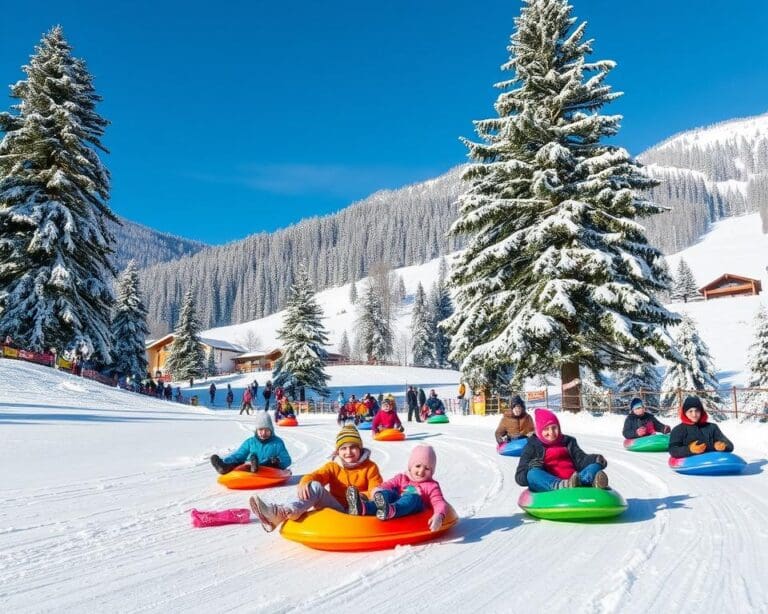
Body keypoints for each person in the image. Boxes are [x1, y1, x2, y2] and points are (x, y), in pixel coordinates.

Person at [249, 425, 383, 532]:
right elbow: (317, 475)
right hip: (336, 509)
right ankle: (283, 512)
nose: (348, 452)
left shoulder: (370, 467)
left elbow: (375, 490)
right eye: (344, 448)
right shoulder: (333, 466)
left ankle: (280, 514)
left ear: (360, 448)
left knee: (367, 499)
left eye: (353, 447)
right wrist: (305, 482)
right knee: (314, 486)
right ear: (338, 451)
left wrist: (360, 498)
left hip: (360, 510)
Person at [346, 444, 446, 531]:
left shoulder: (431, 486)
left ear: (432, 471)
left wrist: (439, 515)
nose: (421, 471)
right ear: (411, 466)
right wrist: (379, 492)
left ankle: (390, 511)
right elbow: (387, 485)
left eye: (427, 468)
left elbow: (439, 502)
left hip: (412, 507)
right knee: (390, 493)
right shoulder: (401, 477)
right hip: (393, 501)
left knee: (412, 497)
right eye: (418, 466)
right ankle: (362, 507)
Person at [515, 408, 609, 491]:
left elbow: (581, 460)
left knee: (595, 466)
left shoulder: (568, 442)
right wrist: (531, 467)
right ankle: (565, 485)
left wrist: (595, 459)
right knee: (533, 474)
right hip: (549, 484)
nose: (551, 432)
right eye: (546, 429)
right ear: (539, 430)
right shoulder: (532, 446)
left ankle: (583, 481)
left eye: (554, 428)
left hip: (574, 479)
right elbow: (519, 477)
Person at [210, 412, 291, 475]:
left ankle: (256, 466)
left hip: (269, 469)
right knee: (240, 462)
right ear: (256, 430)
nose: (263, 433)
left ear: (271, 430)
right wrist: (227, 461)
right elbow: (238, 455)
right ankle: (224, 467)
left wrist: (278, 461)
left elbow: (287, 460)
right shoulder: (250, 442)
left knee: (269, 462)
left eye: (266, 430)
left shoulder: (277, 443)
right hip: (250, 467)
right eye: (260, 430)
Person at [669, 396, 734, 458]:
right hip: (692, 465)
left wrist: (721, 446)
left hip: (713, 463)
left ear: (701, 412)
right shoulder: (678, 430)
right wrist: (689, 449)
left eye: (697, 411)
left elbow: (730, 445)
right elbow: (673, 450)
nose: (694, 415)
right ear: (685, 413)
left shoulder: (712, 427)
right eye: (690, 411)